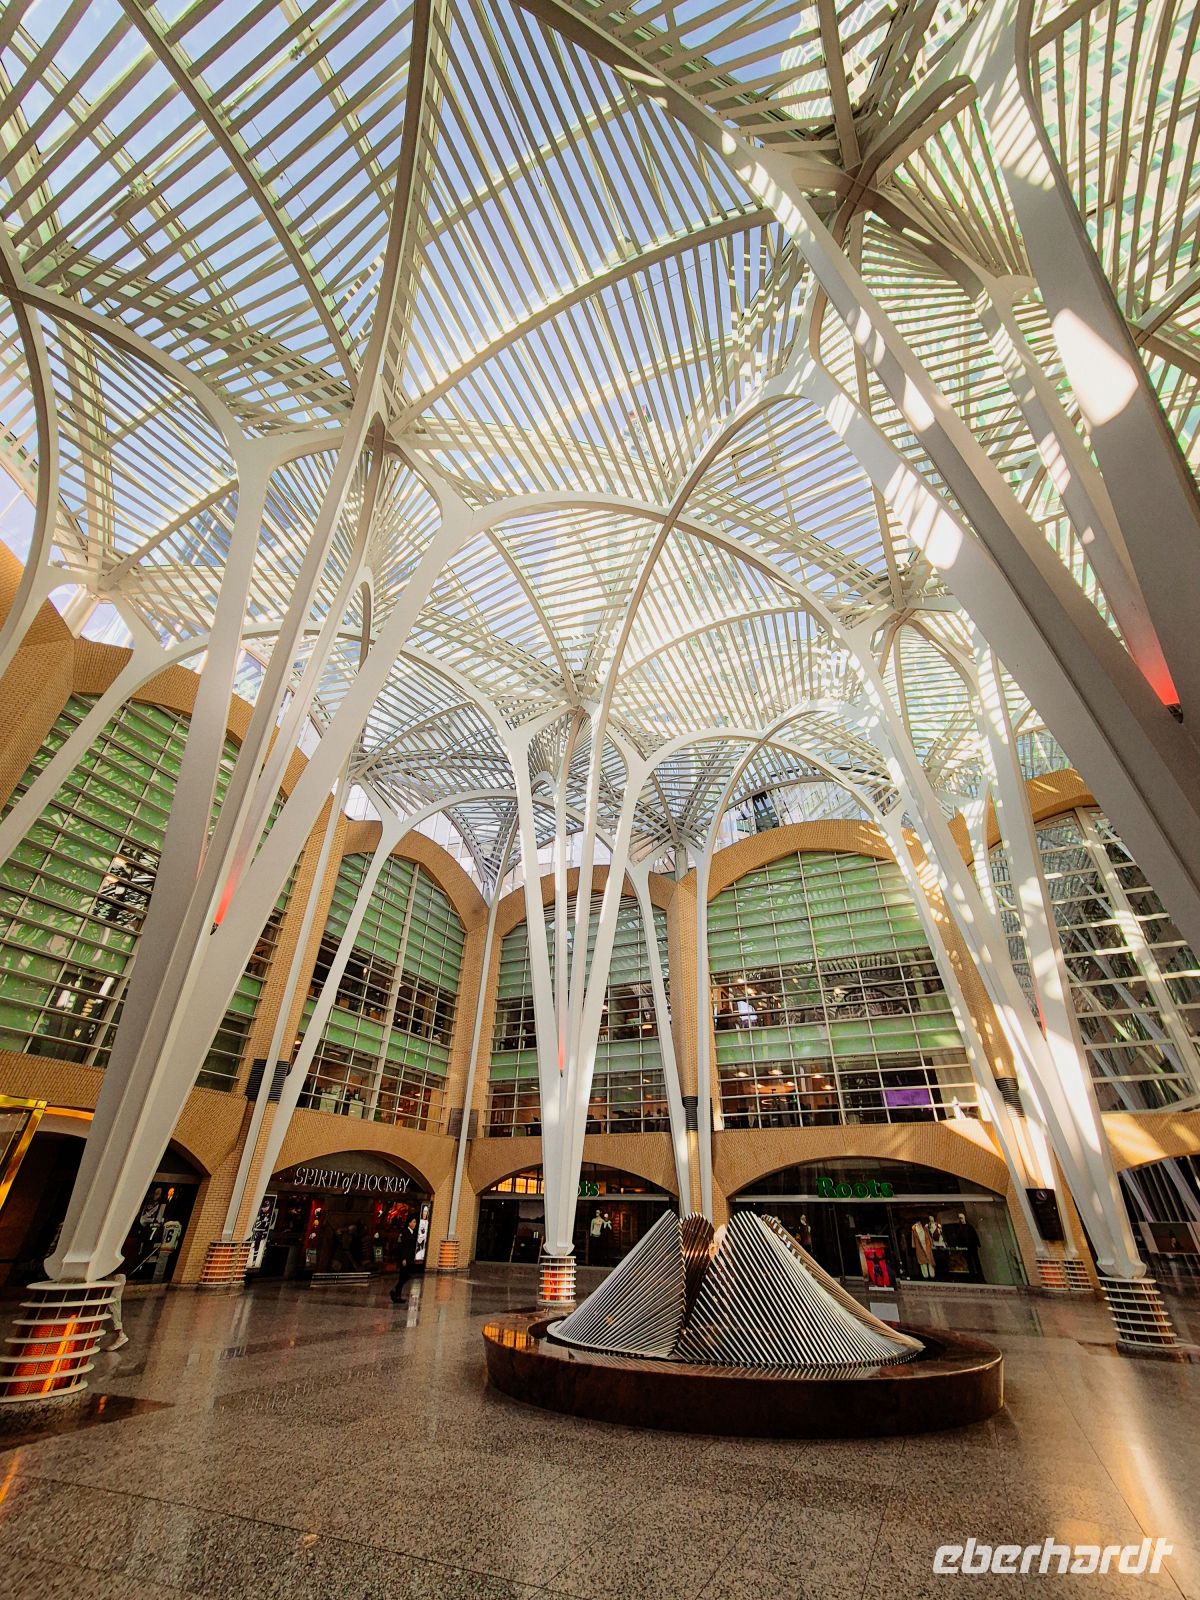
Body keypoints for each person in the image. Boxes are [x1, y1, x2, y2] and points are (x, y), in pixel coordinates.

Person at [389, 1215, 419, 1301]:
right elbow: (403, 1246)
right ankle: (396, 1293)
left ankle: (397, 1294)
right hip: (406, 1258)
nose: (415, 1224)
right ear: (409, 1223)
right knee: (404, 1275)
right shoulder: (405, 1232)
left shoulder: (412, 1232)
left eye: (415, 1222)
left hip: (410, 1257)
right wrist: (403, 1258)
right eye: (413, 1222)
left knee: (406, 1275)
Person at [108, 1271, 128, 1351]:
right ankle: (120, 1334)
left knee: (113, 1304)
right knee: (113, 1304)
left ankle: (120, 1335)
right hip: (115, 1276)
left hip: (116, 1277)